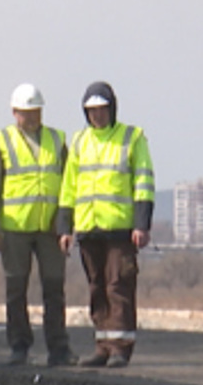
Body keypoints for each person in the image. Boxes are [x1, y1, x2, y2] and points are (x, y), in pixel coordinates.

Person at [57, 81, 155, 367]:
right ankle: (103, 344)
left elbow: (144, 181)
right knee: (97, 286)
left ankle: (121, 347)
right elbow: (69, 186)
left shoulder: (132, 138)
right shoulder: (79, 142)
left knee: (118, 285)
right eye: (91, 110)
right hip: (89, 228)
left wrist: (141, 223)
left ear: (112, 109)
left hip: (120, 228)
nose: (97, 115)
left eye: (101, 109)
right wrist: (65, 228)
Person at [0, 84, 73, 367]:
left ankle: (58, 349)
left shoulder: (57, 140)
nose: (32, 118)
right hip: (15, 228)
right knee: (16, 289)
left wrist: (66, 226)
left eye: (36, 112)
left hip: (50, 228)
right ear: (15, 113)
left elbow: (70, 185)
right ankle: (19, 346)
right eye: (26, 113)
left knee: (54, 289)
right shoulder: (1, 141)